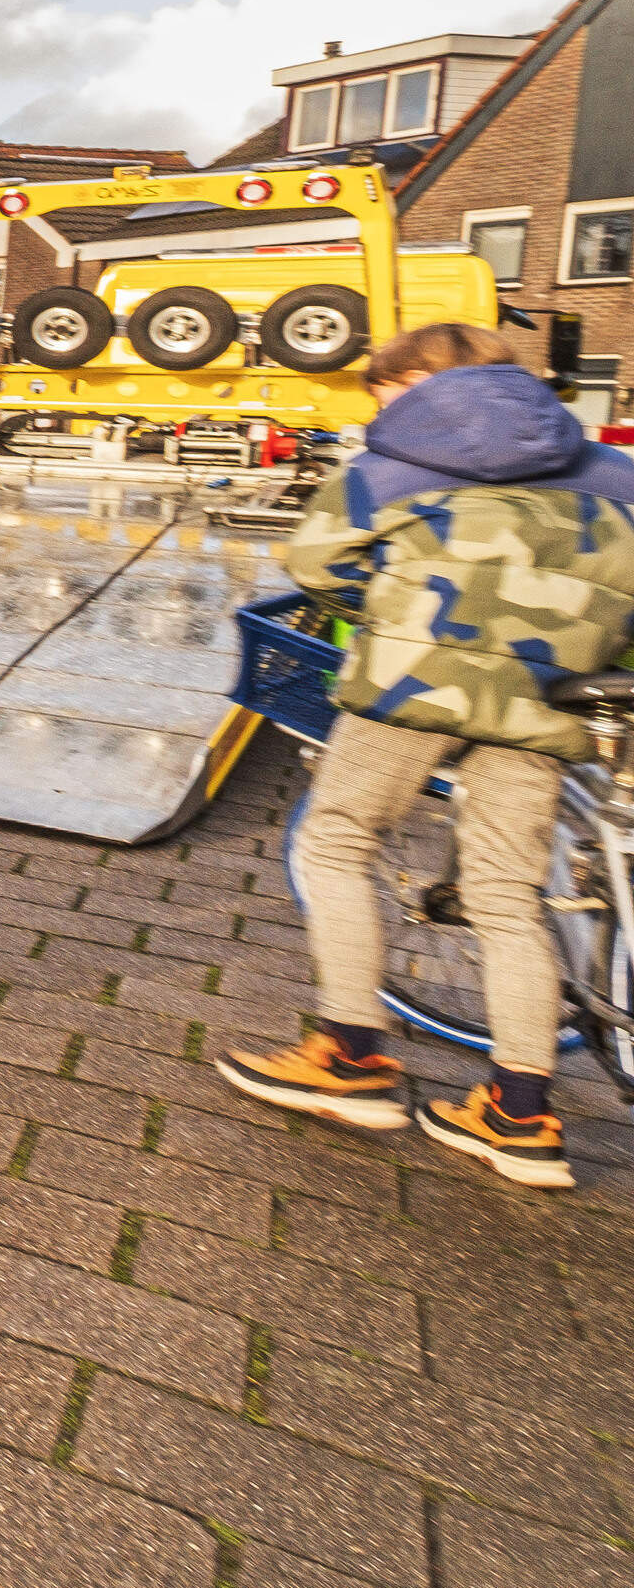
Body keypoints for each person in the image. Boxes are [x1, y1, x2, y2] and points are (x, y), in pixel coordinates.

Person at [216, 323, 634, 1189]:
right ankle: (520, 1116)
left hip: (413, 684)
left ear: (415, 382)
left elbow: (319, 564)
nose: (377, 405)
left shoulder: (384, 465)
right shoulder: (612, 470)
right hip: (545, 694)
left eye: (380, 390)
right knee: (509, 895)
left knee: (336, 842)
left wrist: (404, 599)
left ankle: (351, 1059)